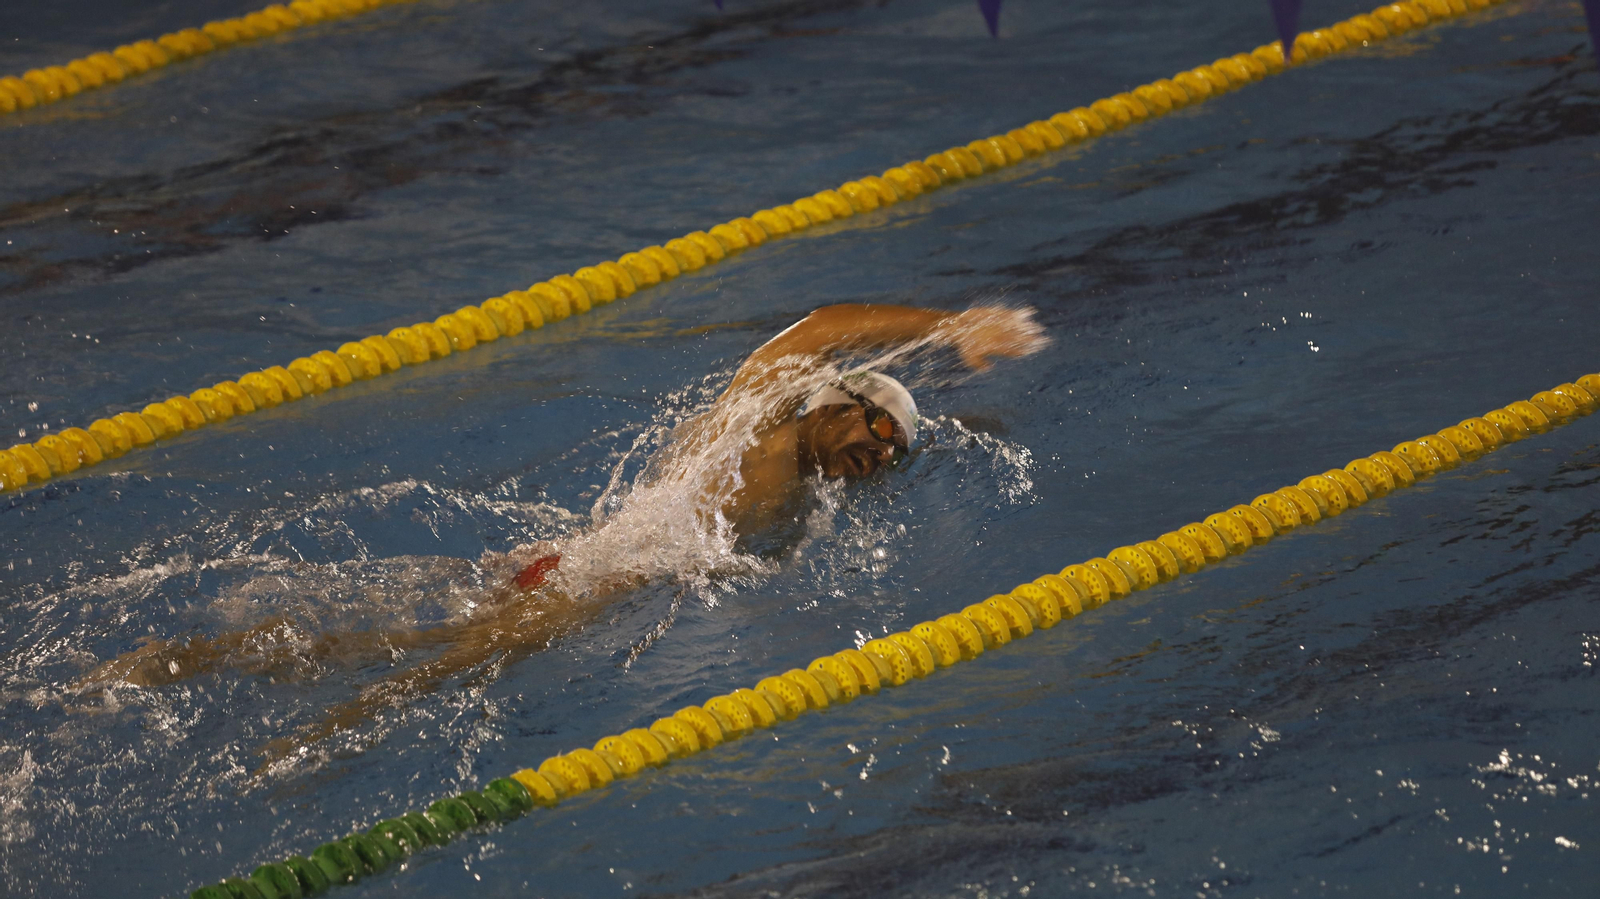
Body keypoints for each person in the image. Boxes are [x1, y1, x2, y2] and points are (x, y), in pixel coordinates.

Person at [75, 302, 1045, 762]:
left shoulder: (816, 489)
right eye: (872, 427)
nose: (876, 452)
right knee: (444, 663)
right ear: (833, 402)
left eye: (891, 452)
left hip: (575, 559)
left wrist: (957, 428)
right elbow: (824, 322)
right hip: (596, 572)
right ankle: (304, 741)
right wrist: (953, 325)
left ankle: (177, 660)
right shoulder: (761, 416)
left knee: (397, 634)